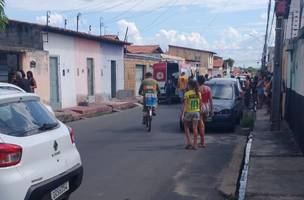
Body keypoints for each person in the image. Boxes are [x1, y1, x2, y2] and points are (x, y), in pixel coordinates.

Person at [181, 79, 201, 150]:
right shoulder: (198, 93)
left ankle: (189, 142)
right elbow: (200, 104)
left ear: (189, 85)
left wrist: (182, 114)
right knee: (195, 128)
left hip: (189, 112)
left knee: (186, 127)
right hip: (196, 112)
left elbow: (185, 105)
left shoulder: (187, 93)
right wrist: (199, 112)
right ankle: (195, 145)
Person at [197, 76, 213, 148]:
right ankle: (201, 141)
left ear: (198, 81)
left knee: (201, 125)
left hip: (200, 106)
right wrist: (211, 110)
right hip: (207, 106)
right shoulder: (208, 88)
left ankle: (202, 142)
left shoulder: (197, 89)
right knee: (203, 124)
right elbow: (211, 100)